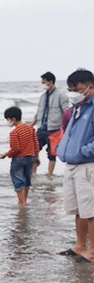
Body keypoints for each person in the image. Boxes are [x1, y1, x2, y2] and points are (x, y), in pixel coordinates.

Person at [56, 68, 94, 263]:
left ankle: (93, 251)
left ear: (90, 87)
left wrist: (83, 151)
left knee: (91, 210)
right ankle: (80, 245)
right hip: (72, 164)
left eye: (77, 89)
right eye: (71, 89)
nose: (74, 93)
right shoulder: (78, 108)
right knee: (78, 209)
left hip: (88, 165)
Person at [31, 72, 70, 177]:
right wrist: (31, 125)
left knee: (52, 153)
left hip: (54, 129)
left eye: (44, 82)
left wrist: (66, 128)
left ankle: (49, 174)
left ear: (50, 82)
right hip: (41, 128)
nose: (42, 84)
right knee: (33, 150)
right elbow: (38, 112)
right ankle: (33, 174)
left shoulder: (61, 95)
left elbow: (67, 112)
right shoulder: (43, 96)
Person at [0, 106, 39, 206]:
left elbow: (15, 149)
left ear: (13, 119)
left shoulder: (14, 133)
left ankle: (22, 203)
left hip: (19, 159)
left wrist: (5, 155)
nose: (8, 122)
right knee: (27, 180)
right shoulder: (30, 129)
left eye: (8, 120)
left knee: (18, 181)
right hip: (30, 158)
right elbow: (36, 144)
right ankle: (24, 200)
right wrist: (36, 157)